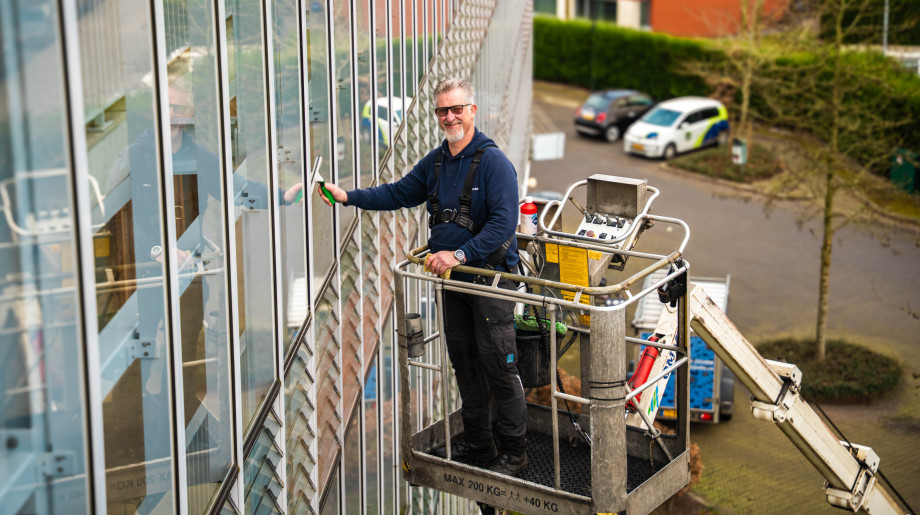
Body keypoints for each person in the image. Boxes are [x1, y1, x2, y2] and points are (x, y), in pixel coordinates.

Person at [318, 78, 528, 476]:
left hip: (489, 281)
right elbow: (397, 193)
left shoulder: (495, 164)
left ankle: (515, 452)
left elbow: (503, 223)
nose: (449, 117)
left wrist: (460, 253)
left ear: (472, 111)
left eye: (456, 109)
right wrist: (348, 196)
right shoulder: (435, 163)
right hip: (452, 283)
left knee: (499, 366)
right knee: (464, 363)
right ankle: (481, 446)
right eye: (442, 111)